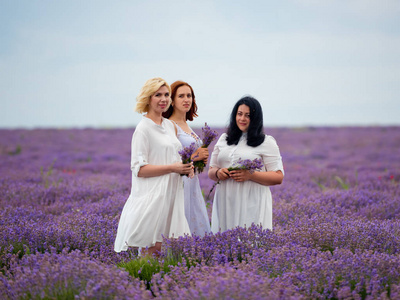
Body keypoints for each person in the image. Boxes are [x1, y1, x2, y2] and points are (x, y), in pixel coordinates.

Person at [114, 77, 192, 256]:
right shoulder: (143, 129)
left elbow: (174, 157)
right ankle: (144, 281)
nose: (164, 99)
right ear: (148, 98)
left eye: (166, 95)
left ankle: (160, 281)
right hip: (153, 194)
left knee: (167, 245)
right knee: (153, 246)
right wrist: (172, 168)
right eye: (158, 95)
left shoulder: (169, 125)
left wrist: (187, 168)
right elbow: (139, 169)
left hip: (172, 192)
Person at [208, 96, 284, 232]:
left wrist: (250, 175)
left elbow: (278, 176)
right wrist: (218, 173)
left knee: (249, 242)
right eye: (239, 114)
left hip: (252, 200)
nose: (242, 119)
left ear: (255, 118)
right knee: (225, 242)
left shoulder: (266, 142)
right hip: (226, 200)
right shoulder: (224, 139)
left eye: (247, 115)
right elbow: (211, 170)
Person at [163, 80, 211, 236]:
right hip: (178, 183)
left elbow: (190, 156)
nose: (186, 100)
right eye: (181, 96)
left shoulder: (186, 124)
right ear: (172, 100)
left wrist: (200, 160)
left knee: (194, 222)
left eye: (189, 96)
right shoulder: (169, 125)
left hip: (191, 182)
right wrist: (195, 155)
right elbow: (168, 157)